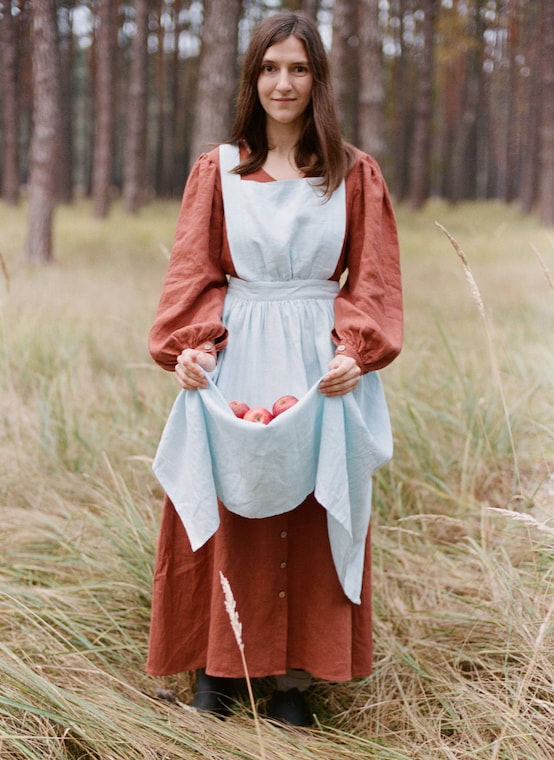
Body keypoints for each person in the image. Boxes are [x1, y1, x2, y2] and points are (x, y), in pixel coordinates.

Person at [146, 11, 403, 727]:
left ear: (317, 80)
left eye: (297, 69)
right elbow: (195, 272)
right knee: (231, 497)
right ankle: (217, 671)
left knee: (311, 504)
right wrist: (189, 348)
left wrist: (357, 351)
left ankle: (293, 680)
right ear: (251, 78)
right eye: (268, 68)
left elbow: (374, 279)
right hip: (239, 345)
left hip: (319, 357)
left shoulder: (352, 172)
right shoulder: (220, 168)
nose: (282, 83)